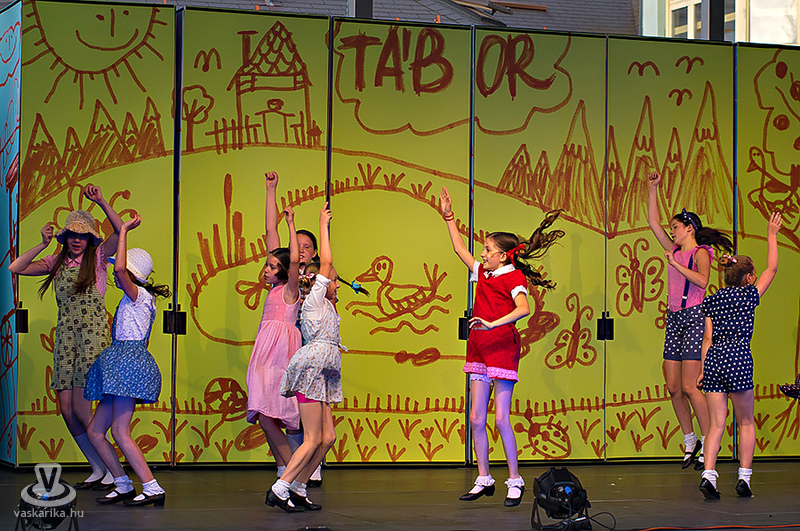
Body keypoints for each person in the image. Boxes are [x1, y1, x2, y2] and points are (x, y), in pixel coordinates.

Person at [439, 186, 565, 507]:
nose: (482, 253)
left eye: (487, 249)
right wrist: (449, 217)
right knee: (476, 419)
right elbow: (459, 249)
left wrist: (493, 323)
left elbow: (524, 309)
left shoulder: (513, 278)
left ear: (503, 255)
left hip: (501, 348)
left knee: (500, 419)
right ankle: (484, 478)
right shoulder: (483, 272)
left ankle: (515, 479)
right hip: (479, 349)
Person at [9, 186, 123, 490]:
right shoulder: (55, 262)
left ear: (90, 240)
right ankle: (97, 467)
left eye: (82, 236)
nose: (76, 240)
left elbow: (119, 230)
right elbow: (15, 267)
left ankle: (115, 473)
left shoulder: (98, 258)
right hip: (66, 339)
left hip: (91, 338)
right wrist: (42, 243)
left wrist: (101, 201)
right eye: (72, 234)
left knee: (83, 410)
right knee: (66, 409)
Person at [647, 171, 734, 471]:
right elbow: (653, 223)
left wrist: (676, 265)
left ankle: (710, 439)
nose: (671, 232)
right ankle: (690, 438)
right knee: (673, 386)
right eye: (671, 228)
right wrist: (652, 189)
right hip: (674, 318)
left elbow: (702, 281)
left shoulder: (700, 253)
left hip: (695, 317)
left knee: (690, 386)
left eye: (676, 227)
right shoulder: (673, 250)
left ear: (689, 229)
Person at [83, 214, 171, 506]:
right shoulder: (130, 298)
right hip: (119, 362)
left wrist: (122, 232)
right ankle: (122, 483)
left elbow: (120, 269)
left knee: (120, 431)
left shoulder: (140, 295)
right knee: (96, 431)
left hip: (128, 365)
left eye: (121, 269)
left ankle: (152, 486)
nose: (114, 271)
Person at [697, 212, 782, 500]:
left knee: (715, 425)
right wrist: (771, 235)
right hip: (738, 358)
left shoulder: (712, 300)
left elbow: (707, 338)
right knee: (745, 421)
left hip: (715, 359)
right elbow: (772, 268)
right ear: (748, 277)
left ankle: (709, 475)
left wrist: (703, 369)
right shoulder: (748, 296)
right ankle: (744, 478)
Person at [267, 204, 339, 513]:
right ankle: (280, 487)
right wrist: (323, 224)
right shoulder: (313, 301)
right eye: (332, 279)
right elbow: (325, 262)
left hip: (322, 373)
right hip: (310, 371)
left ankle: (298, 486)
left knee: (327, 438)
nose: (336, 283)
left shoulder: (328, 305)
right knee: (312, 438)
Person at [264, 171, 324, 487]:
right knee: (274, 408)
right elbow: (270, 233)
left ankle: (308, 463)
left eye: (306, 246)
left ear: (314, 253)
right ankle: (286, 465)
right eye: (296, 245)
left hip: (308, 346)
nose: (300, 250)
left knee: (304, 409)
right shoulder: (284, 278)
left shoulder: (318, 278)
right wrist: (271, 190)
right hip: (282, 347)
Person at [245, 198, 302, 483]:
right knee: (264, 416)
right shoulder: (274, 290)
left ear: (283, 270)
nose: (266, 269)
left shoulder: (291, 290)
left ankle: (291, 474)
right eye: (266, 265)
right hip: (264, 358)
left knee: (268, 416)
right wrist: (270, 191)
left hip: (279, 360)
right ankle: (285, 471)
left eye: (271, 266)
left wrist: (291, 224)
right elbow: (270, 232)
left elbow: (294, 260)